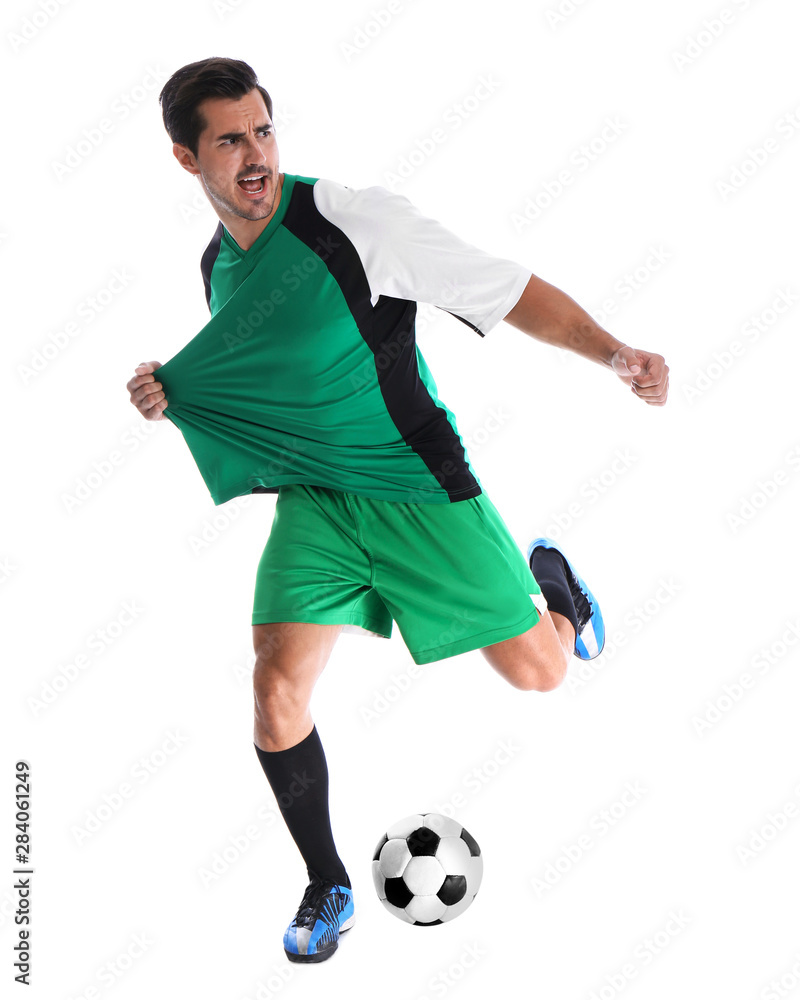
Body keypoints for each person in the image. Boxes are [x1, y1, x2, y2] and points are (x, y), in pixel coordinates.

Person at [126, 57, 668, 964]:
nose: (256, 156)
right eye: (230, 141)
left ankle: (556, 595)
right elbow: (257, 386)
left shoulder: (350, 220)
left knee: (541, 674)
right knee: (273, 691)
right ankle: (327, 884)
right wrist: (166, 395)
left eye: (264, 130)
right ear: (188, 160)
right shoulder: (217, 265)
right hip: (321, 504)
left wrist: (614, 354)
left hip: (418, 485)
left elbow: (507, 288)